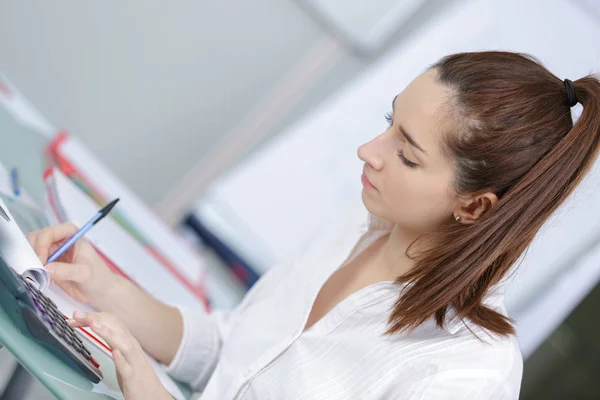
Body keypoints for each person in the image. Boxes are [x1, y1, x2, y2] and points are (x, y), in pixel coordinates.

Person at [27, 51, 600, 399]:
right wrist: (108, 288)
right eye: (387, 122)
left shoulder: (463, 375)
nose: (367, 151)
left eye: (406, 154)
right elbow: (235, 356)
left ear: (474, 207)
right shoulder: (363, 223)